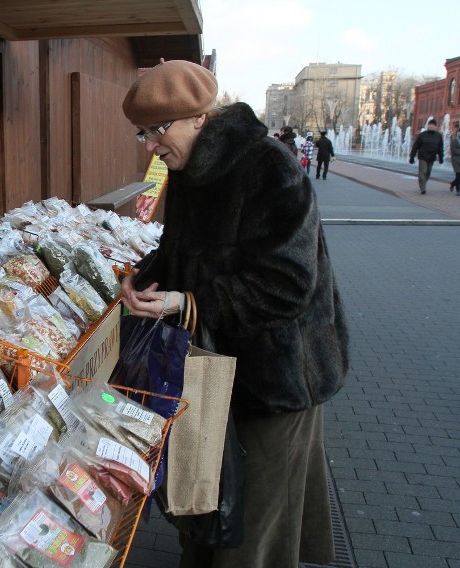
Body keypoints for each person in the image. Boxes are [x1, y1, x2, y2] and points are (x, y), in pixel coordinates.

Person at [121, 60, 349, 568]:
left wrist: (187, 303)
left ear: (200, 118)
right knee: (207, 501)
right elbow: (185, 249)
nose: (152, 145)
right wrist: (144, 273)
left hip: (275, 378)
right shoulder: (190, 169)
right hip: (214, 369)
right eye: (144, 133)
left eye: (159, 130)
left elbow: (286, 285)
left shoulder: (268, 167)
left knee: (253, 528)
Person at [408, 118, 444, 194]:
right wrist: (412, 156)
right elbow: (415, 146)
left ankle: (423, 184)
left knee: (428, 172)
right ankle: (422, 188)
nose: (431, 126)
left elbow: (440, 148)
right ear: (427, 126)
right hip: (422, 157)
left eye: (433, 125)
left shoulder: (438, 136)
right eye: (430, 125)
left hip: (432, 157)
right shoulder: (422, 135)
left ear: (435, 127)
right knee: (422, 172)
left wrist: (441, 157)